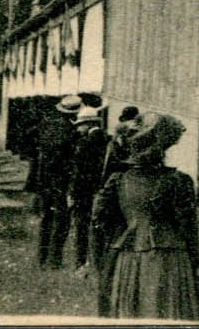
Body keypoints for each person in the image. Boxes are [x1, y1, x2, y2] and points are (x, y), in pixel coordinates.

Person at [93, 113, 199, 321]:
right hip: (170, 259)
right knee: (168, 314)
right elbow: (189, 227)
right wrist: (194, 259)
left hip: (128, 258)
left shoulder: (118, 181)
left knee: (131, 314)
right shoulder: (179, 181)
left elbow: (100, 220)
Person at [35, 94, 80, 269]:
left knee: (46, 219)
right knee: (61, 221)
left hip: (45, 180)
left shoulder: (47, 126)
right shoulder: (70, 132)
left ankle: (42, 258)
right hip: (61, 181)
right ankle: (54, 260)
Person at [69, 106, 111, 273]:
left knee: (81, 228)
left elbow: (78, 172)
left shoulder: (84, 143)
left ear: (87, 124)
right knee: (100, 228)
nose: (78, 129)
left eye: (80, 125)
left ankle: (81, 263)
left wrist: (72, 193)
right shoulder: (109, 140)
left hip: (84, 192)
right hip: (102, 190)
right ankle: (99, 262)